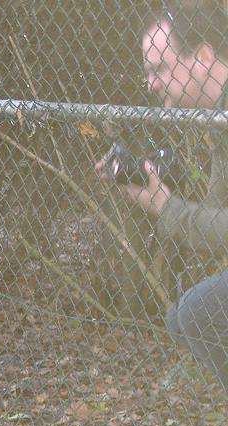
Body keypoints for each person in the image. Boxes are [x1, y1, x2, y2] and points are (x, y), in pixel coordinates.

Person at [96, 0, 228, 388]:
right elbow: (214, 224)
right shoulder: (217, 121)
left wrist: (166, 206)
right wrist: (156, 192)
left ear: (202, 56)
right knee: (180, 317)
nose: (151, 83)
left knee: (198, 312)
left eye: (160, 68)